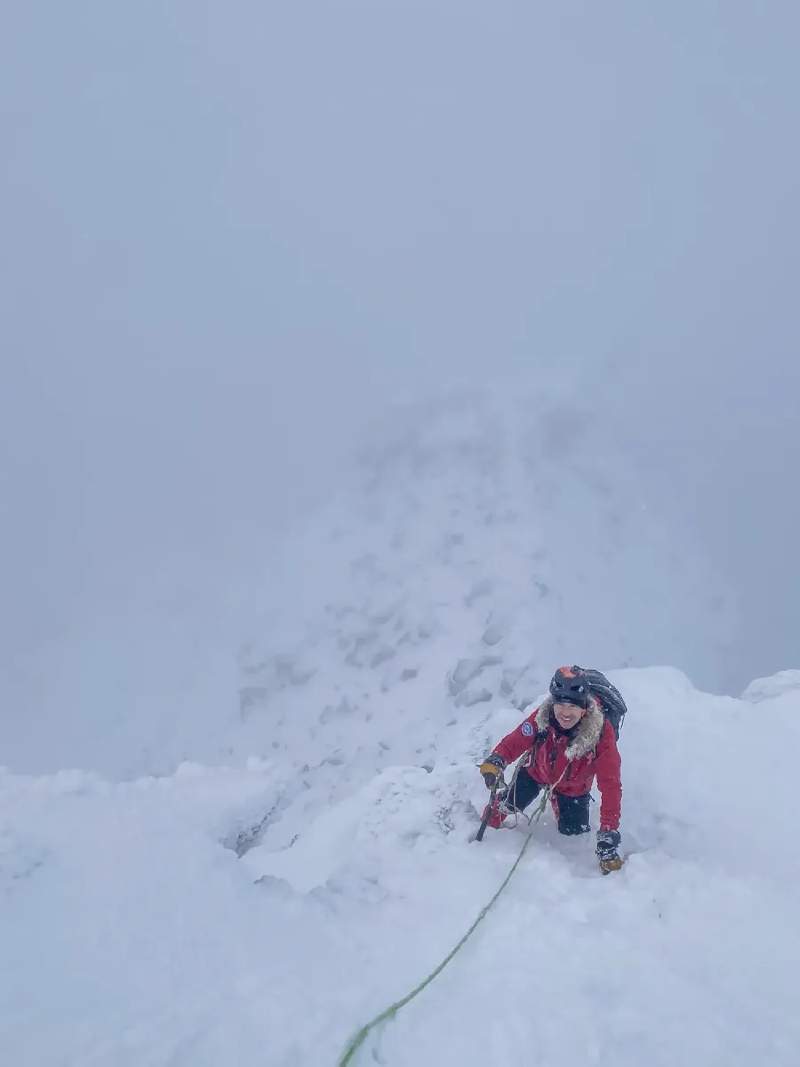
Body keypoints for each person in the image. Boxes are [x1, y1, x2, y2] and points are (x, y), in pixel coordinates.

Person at [479, 665, 623, 873]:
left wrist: (609, 831)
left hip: (573, 788)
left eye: (572, 706)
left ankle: (557, 799)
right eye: (560, 704)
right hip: (535, 772)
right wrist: (496, 760)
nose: (565, 712)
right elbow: (518, 739)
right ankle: (500, 806)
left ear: (584, 708)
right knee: (504, 808)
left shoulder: (601, 733)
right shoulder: (544, 716)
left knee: (572, 834)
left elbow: (610, 785)